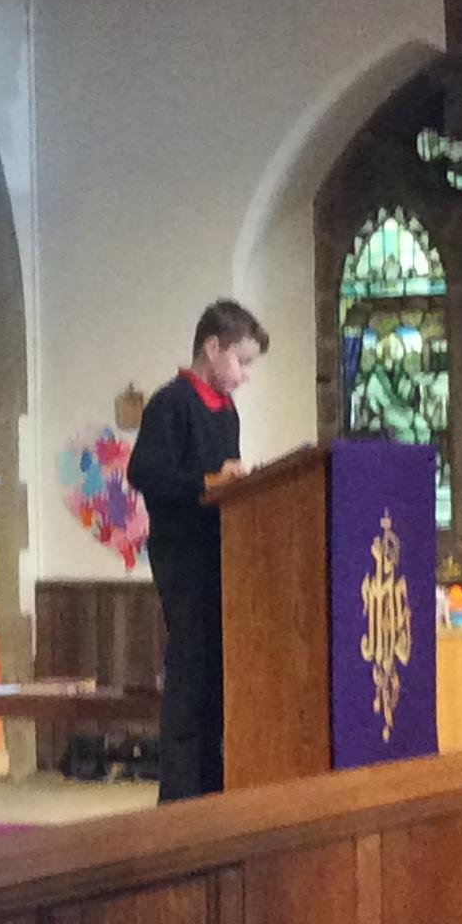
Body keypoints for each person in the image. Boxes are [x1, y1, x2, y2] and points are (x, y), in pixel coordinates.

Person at [126, 299, 267, 801]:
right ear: (212, 347)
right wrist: (209, 481)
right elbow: (145, 472)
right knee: (189, 673)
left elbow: (224, 480)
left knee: (216, 676)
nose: (245, 375)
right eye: (241, 361)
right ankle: (181, 795)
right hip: (183, 557)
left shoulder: (226, 412)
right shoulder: (171, 403)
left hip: (221, 554)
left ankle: (213, 786)